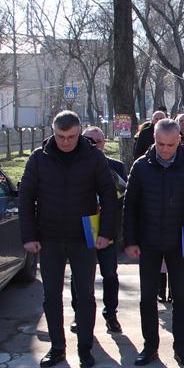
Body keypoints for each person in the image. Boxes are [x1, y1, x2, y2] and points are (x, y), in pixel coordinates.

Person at [19, 111, 119, 368]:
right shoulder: (39, 159)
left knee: (85, 294)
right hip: (49, 237)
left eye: (72, 136)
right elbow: (26, 198)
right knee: (51, 295)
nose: (66, 142)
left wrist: (105, 233)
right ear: (53, 132)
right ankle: (57, 348)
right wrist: (29, 236)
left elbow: (109, 195)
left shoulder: (93, 157)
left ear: (79, 132)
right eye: (61, 136)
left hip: (83, 238)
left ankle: (85, 348)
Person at [123, 119, 184, 367]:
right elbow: (130, 208)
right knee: (148, 296)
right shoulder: (141, 167)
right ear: (154, 140)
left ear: (178, 141)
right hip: (148, 241)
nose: (165, 149)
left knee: (181, 297)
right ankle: (150, 347)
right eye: (160, 144)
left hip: (179, 241)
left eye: (170, 145)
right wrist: (130, 240)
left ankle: (182, 348)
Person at [69, 126, 127, 335]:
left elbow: (123, 197)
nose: (93, 144)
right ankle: (79, 314)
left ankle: (111, 314)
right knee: (81, 275)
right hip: (80, 229)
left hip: (106, 229)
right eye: (88, 140)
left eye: (98, 141)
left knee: (109, 274)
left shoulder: (115, 166)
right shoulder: (73, 163)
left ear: (104, 143)